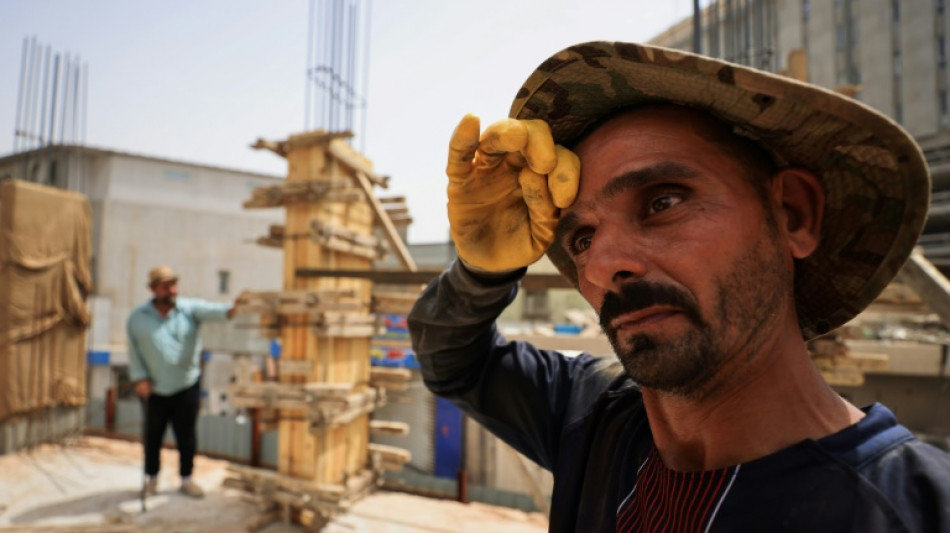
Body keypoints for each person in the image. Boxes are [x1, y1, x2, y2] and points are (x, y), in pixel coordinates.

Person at [408, 41, 950, 532]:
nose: (602, 266)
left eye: (663, 201)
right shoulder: (597, 418)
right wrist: (482, 274)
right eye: (582, 239)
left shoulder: (916, 510)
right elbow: (455, 362)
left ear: (793, 213)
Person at [127, 265, 235, 498]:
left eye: (174, 284)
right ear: (154, 289)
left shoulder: (189, 310)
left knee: (186, 436)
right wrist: (139, 378)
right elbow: (133, 351)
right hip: (154, 388)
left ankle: (186, 479)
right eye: (166, 286)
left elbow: (220, 312)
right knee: (152, 437)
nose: (172, 290)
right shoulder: (137, 318)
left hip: (187, 385)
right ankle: (152, 478)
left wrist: (236, 307)